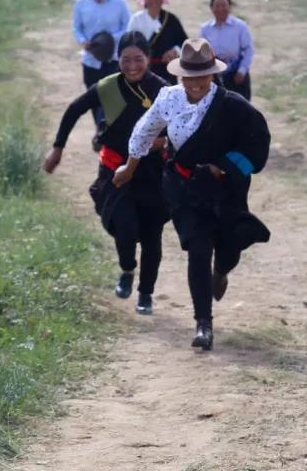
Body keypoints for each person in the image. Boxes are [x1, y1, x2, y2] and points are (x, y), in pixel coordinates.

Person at [114, 38, 271, 351]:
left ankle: (221, 271)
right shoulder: (169, 98)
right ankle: (203, 324)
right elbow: (144, 130)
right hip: (184, 188)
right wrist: (129, 167)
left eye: (202, 76)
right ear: (179, 75)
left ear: (212, 75)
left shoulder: (233, 106)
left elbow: (258, 146)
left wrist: (224, 167)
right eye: (189, 76)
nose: (196, 83)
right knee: (198, 249)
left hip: (225, 190)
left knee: (227, 247)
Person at [44, 32, 169, 316]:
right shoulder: (109, 87)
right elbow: (74, 109)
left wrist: (162, 142)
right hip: (115, 170)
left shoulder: (163, 91)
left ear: (148, 59)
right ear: (118, 60)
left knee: (152, 235)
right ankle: (127, 269)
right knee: (123, 224)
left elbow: (182, 127)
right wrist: (58, 148)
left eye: (138, 59)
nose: (132, 66)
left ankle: (146, 293)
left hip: (152, 172)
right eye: (126, 60)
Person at [72, 0, 130, 124]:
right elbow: (76, 28)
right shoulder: (81, 3)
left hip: (113, 60)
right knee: (94, 101)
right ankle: (101, 131)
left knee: (112, 100)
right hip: (90, 62)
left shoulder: (119, 3)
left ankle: (107, 131)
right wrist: (83, 41)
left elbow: (127, 26)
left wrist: (108, 40)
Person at [128, 0, 189, 85]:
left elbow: (184, 42)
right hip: (142, 71)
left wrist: (175, 51)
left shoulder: (171, 19)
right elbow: (129, 44)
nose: (154, 0)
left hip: (166, 72)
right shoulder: (136, 19)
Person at [198, 0, 254, 101]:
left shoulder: (240, 26)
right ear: (211, 8)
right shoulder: (205, 28)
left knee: (241, 106)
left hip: (236, 73)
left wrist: (242, 71)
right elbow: (202, 52)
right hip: (215, 75)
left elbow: (248, 49)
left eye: (224, 6)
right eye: (217, 6)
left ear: (230, 7)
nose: (220, 9)